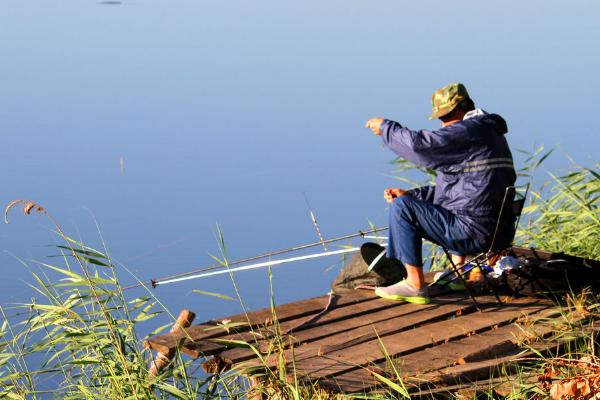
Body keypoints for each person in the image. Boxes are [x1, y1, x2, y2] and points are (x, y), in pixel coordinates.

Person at [365, 82, 516, 304]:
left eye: (445, 116)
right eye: (440, 118)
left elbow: (420, 147)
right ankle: (459, 272)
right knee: (408, 201)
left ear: (459, 109)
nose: (443, 124)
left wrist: (386, 128)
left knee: (401, 208)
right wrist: (412, 195)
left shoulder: (468, 131)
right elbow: (463, 190)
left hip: (473, 232)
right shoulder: (489, 133)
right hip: (497, 232)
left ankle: (414, 285)